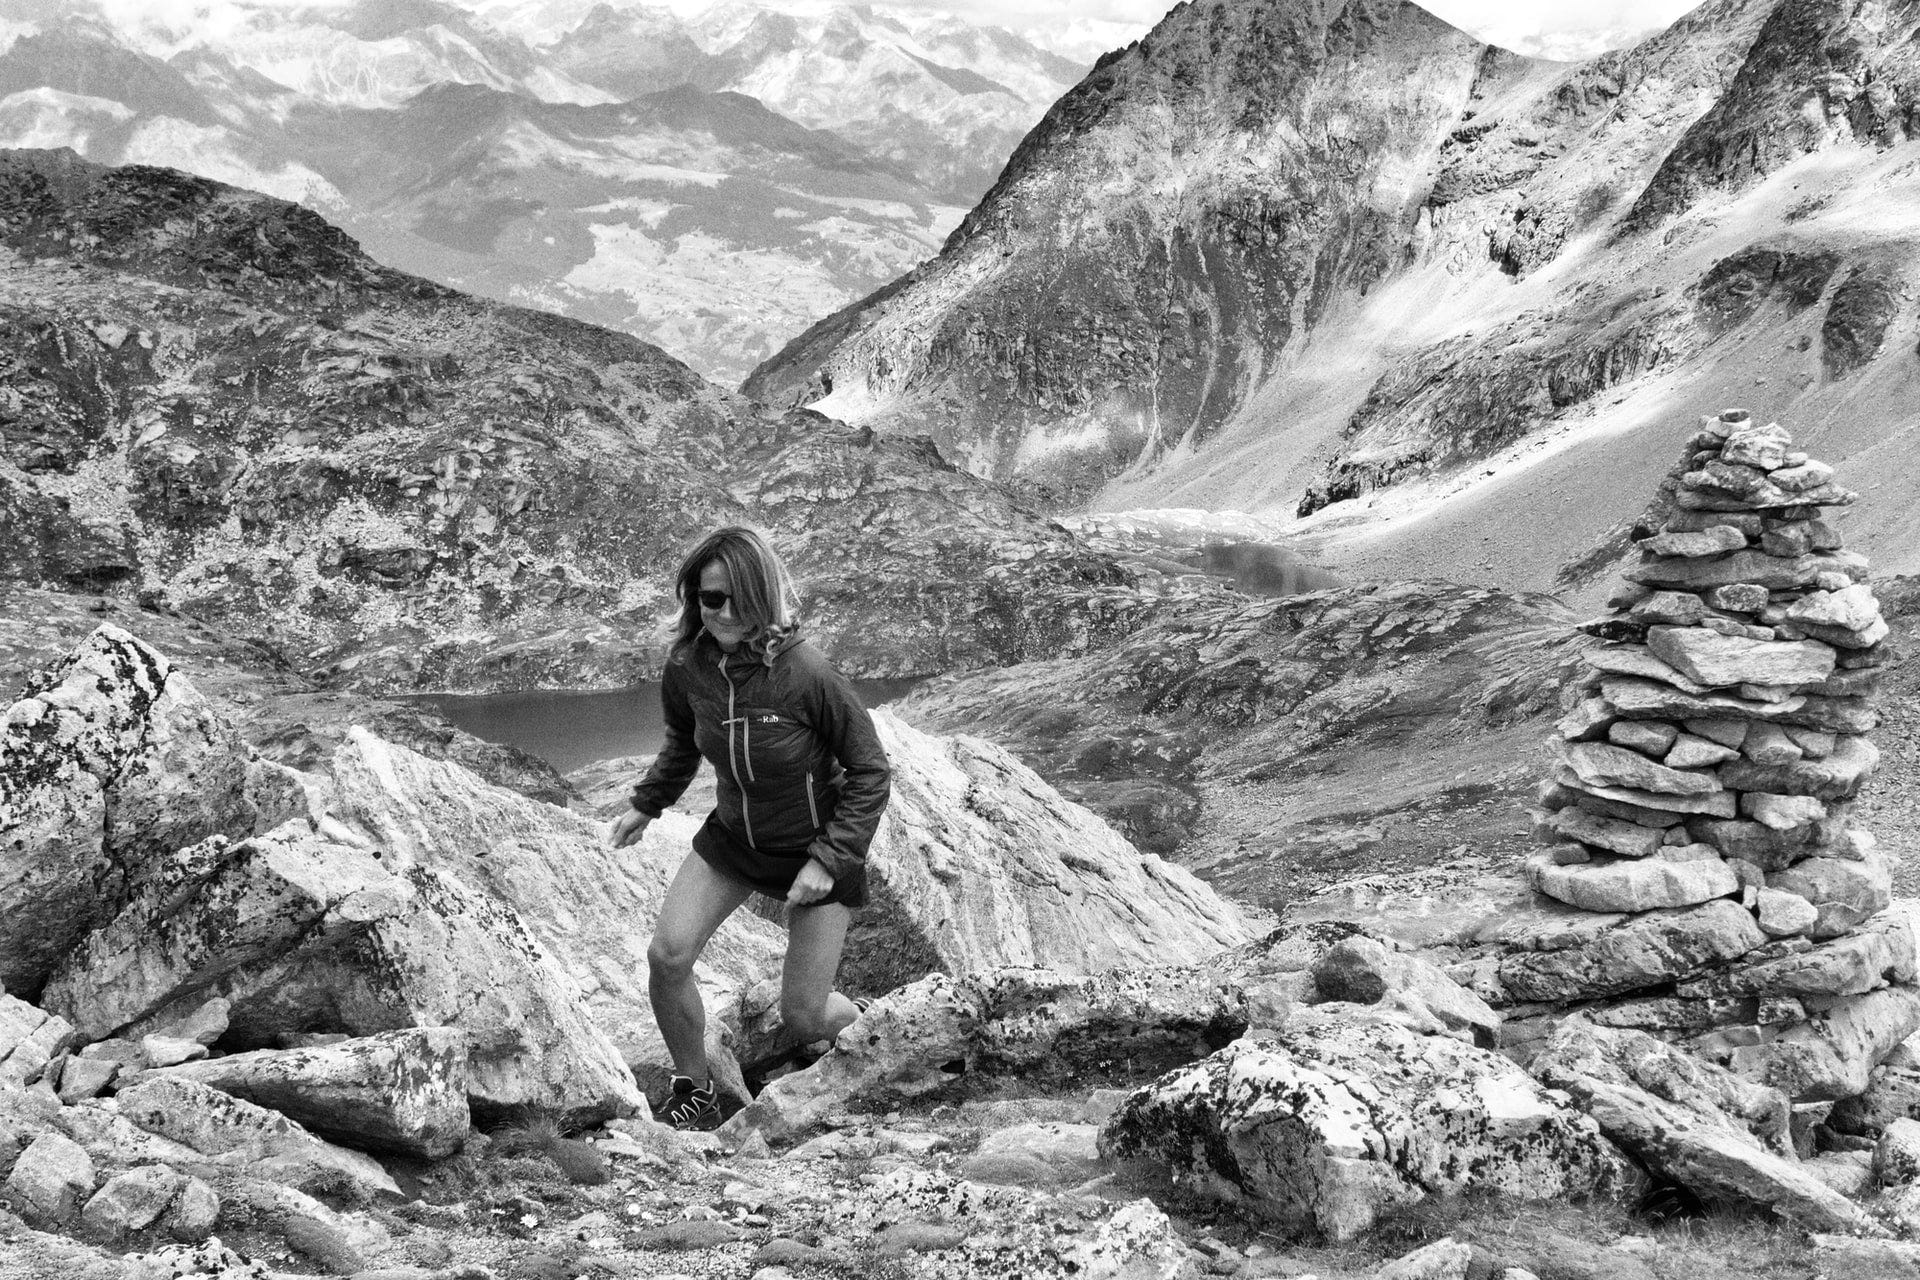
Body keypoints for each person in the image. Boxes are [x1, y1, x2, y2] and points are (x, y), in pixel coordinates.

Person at [610, 526, 892, 1130]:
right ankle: (696, 1092)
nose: (726, 612)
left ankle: (874, 1026)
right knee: (667, 956)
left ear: (764, 595)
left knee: (804, 1018)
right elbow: (682, 743)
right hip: (734, 842)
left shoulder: (807, 672)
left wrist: (829, 860)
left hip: (812, 851)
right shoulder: (689, 666)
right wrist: (647, 805)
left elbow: (871, 771)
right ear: (695, 599)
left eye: (741, 598)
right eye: (712, 599)